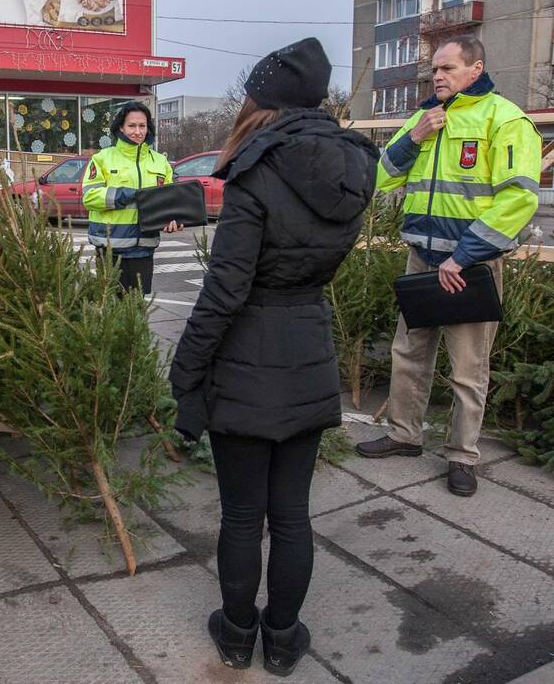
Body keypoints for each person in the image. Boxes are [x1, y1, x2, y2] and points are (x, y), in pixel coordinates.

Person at [169, 38, 379, 676]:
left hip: (245, 359)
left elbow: (224, 291)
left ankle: (237, 635)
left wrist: (185, 373)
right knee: (291, 514)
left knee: (241, 514)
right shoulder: (349, 169)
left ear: (262, 103)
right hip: (308, 347)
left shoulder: (258, 169)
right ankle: (283, 640)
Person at [356, 35, 541, 497]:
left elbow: (519, 198)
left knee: (467, 367)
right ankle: (403, 435)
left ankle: (461, 457)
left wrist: (464, 254)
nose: (437, 76)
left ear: (475, 69)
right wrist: (415, 138)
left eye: (448, 68)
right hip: (422, 259)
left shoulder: (504, 118)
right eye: (434, 70)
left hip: (468, 266)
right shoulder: (423, 119)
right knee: (409, 354)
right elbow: (380, 176)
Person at [81, 101, 181, 294]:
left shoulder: (161, 162)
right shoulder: (102, 158)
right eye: (132, 125)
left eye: (142, 125)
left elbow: (170, 201)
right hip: (110, 248)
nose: (138, 131)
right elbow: (90, 197)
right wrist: (126, 194)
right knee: (111, 310)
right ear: (121, 127)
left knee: (137, 312)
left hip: (144, 248)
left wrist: (174, 219)